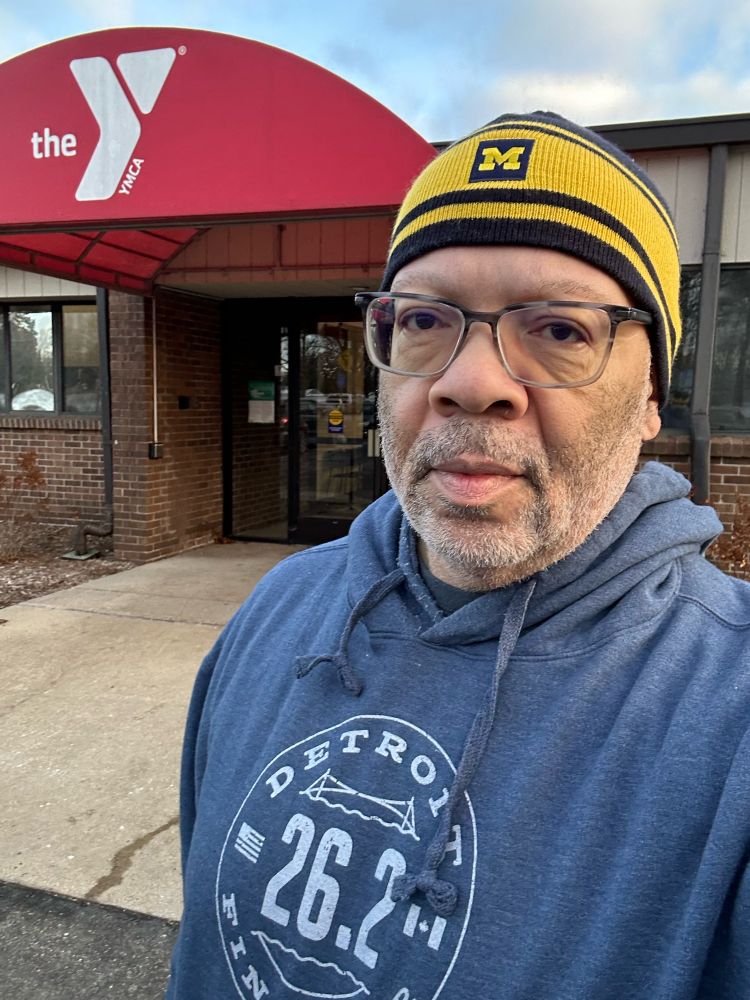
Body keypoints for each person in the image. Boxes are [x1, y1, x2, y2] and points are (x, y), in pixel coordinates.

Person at [166, 112, 750, 1000]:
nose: (469, 382)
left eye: (560, 330)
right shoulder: (278, 610)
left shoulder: (727, 718)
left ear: (649, 403)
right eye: (427, 320)